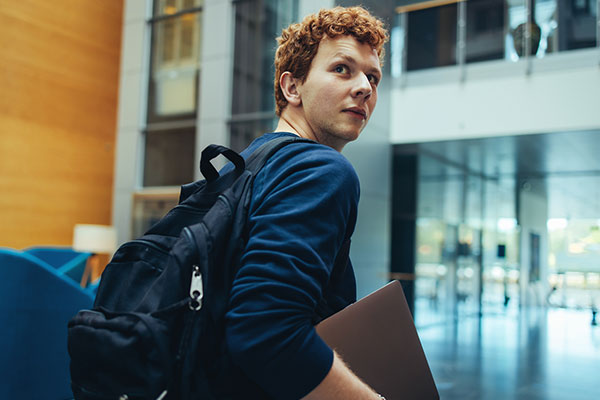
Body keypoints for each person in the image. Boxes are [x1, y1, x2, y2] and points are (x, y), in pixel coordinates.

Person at [214, 6, 389, 399]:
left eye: (373, 77)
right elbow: (264, 332)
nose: (364, 87)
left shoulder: (245, 167)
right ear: (292, 88)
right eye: (343, 69)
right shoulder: (323, 170)